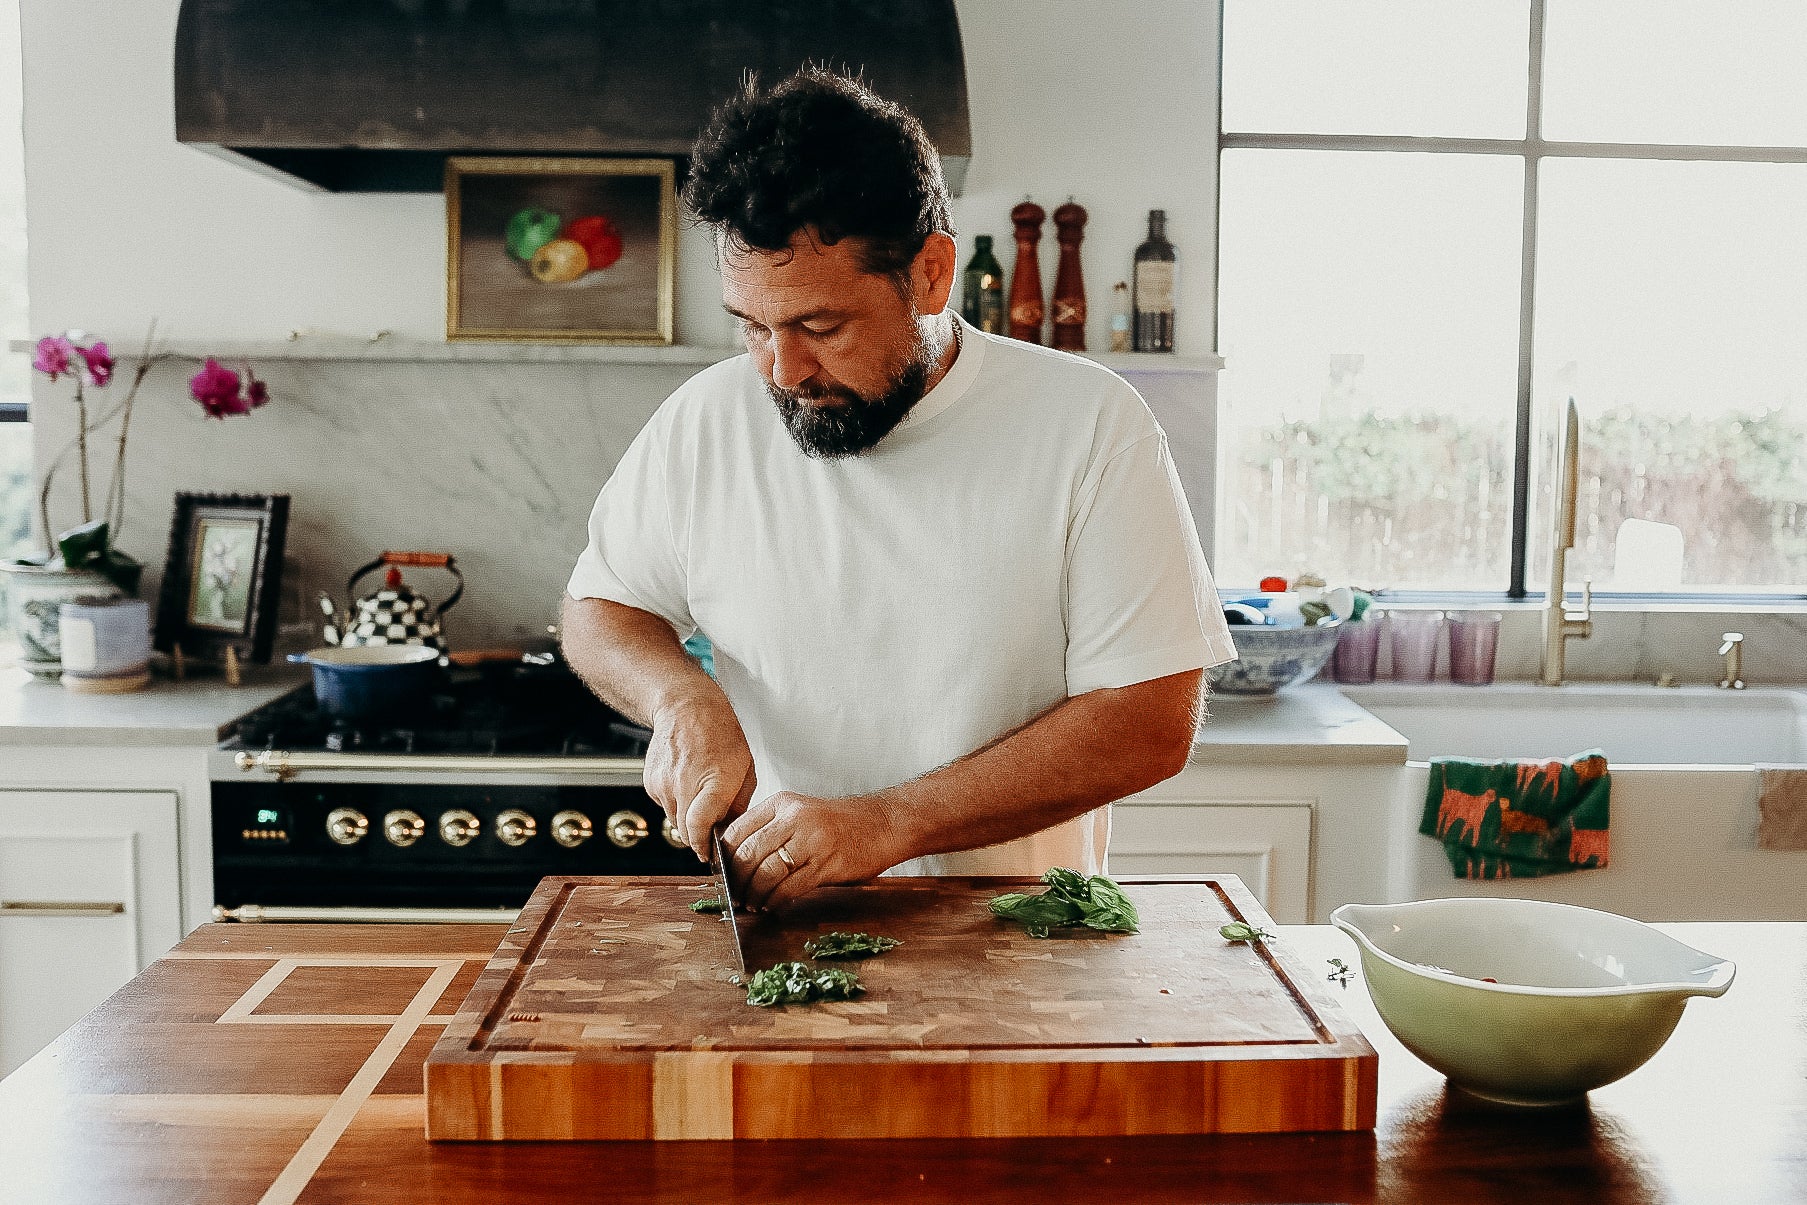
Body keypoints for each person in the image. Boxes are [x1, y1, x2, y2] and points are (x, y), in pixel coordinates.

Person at [562, 67, 1236, 911]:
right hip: (786, 929)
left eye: (820, 325)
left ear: (930, 272)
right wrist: (680, 696)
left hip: (1018, 941)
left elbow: (1149, 719)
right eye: (751, 325)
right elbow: (600, 605)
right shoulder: (706, 419)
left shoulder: (1086, 422)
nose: (781, 369)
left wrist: (891, 821)